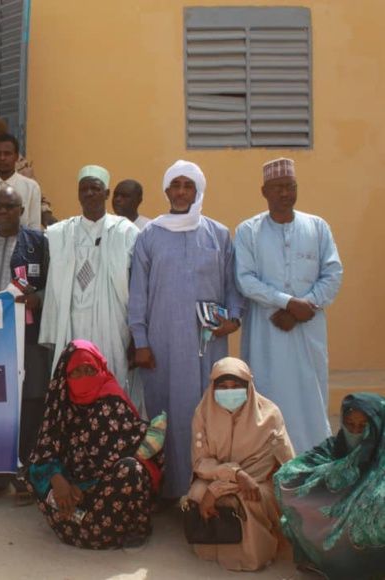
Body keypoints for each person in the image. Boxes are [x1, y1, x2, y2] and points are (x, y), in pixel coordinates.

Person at [128, 160, 244, 501]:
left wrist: (234, 319)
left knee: (209, 414)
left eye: (187, 185)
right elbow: (138, 294)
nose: (180, 192)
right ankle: (172, 491)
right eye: (174, 185)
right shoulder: (149, 235)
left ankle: (209, 489)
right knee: (168, 417)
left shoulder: (219, 234)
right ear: (166, 191)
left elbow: (232, 287)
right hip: (161, 346)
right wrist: (141, 342)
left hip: (207, 345)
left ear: (198, 191)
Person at [235, 158, 343, 453]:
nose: (285, 193)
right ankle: (270, 466)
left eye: (290, 187)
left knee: (311, 395)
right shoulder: (248, 231)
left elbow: (333, 273)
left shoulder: (317, 227)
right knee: (270, 396)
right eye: (278, 187)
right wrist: (286, 302)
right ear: (264, 191)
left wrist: (305, 306)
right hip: (267, 331)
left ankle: (314, 463)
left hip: (308, 329)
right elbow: (244, 279)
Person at [27, 340, 162, 550]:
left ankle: (126, 529)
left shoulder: (112, 401)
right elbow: (44, 451)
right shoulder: (60, 405)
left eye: (89, 370)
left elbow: (131, 446)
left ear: (100, 369)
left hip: (106, 492)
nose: (83, 378)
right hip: (68, 496)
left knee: (132, 470)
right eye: (76, 373)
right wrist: (58, 479)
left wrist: (82, 486)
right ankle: (79, 520)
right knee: (34, 471)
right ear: (65, 377)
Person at [0, 186, 49, 506]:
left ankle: (26, 478)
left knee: (30, 407)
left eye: (10, 206)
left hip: (27, 340)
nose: (3, 212)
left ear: (21, 210)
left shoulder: (38, 243)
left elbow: (52, 286)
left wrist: (37, 299)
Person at [185, 357, 295, 571]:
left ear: (248, 387)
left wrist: (218, 489)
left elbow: (267, 469)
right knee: (197, 494)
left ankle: (255, 554)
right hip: (217, 476)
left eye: (236, 387)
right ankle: (212, 549)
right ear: (213, 387)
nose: (229, 392)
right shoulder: (203, 413)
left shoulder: (269, 416)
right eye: (223, 387)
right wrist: (233, 476)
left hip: (259, 481)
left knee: (248, 498)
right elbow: (200, 462)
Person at [39, 166, 139, 397]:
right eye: (84, 189)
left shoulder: (125, 232)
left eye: (95, 188)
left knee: (111, 379)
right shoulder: (61, 233)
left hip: (112, 322)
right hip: (71, 320)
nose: (89, 193)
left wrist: (136, 333)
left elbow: (136, 284)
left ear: (106, 193)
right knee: (73, 381)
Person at [274, 393, 385, 579]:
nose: (356, 432)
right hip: (331, 524)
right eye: (350, 425)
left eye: (363, 427)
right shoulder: (334, 447)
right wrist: (341, 469)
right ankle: (323, 560)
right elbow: (287, 475)